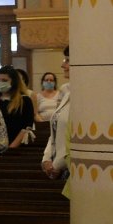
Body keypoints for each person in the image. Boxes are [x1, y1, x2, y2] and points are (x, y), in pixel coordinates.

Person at [43, 49, 72, 182]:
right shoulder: (66, 91)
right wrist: (46, 158)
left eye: (67, 60)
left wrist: (56, 165)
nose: (62, 65)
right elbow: (56, 130)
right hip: (58, 165)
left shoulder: (86, 94)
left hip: (71, 166)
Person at [0, 67, 38, 149]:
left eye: (4, 80)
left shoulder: (25, 100)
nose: (0, 83)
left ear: (14, 81)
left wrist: (10, 148)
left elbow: (27, 126)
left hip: (16, 146)